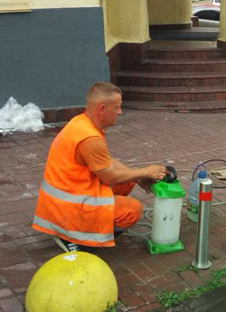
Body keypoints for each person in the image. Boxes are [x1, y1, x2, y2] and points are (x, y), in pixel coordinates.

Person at [32, 82, 168, 252]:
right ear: (102, 109)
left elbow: (107, 163)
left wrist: (138, 176)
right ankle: (77, 239)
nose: (120, 112)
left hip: (64, 200)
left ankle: (79, 229)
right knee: (132, 210)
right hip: (67, 209)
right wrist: (147, 171)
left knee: (127, 181)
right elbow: (109, 177)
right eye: (117, 107)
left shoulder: (81, 122)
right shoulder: (90, 139)